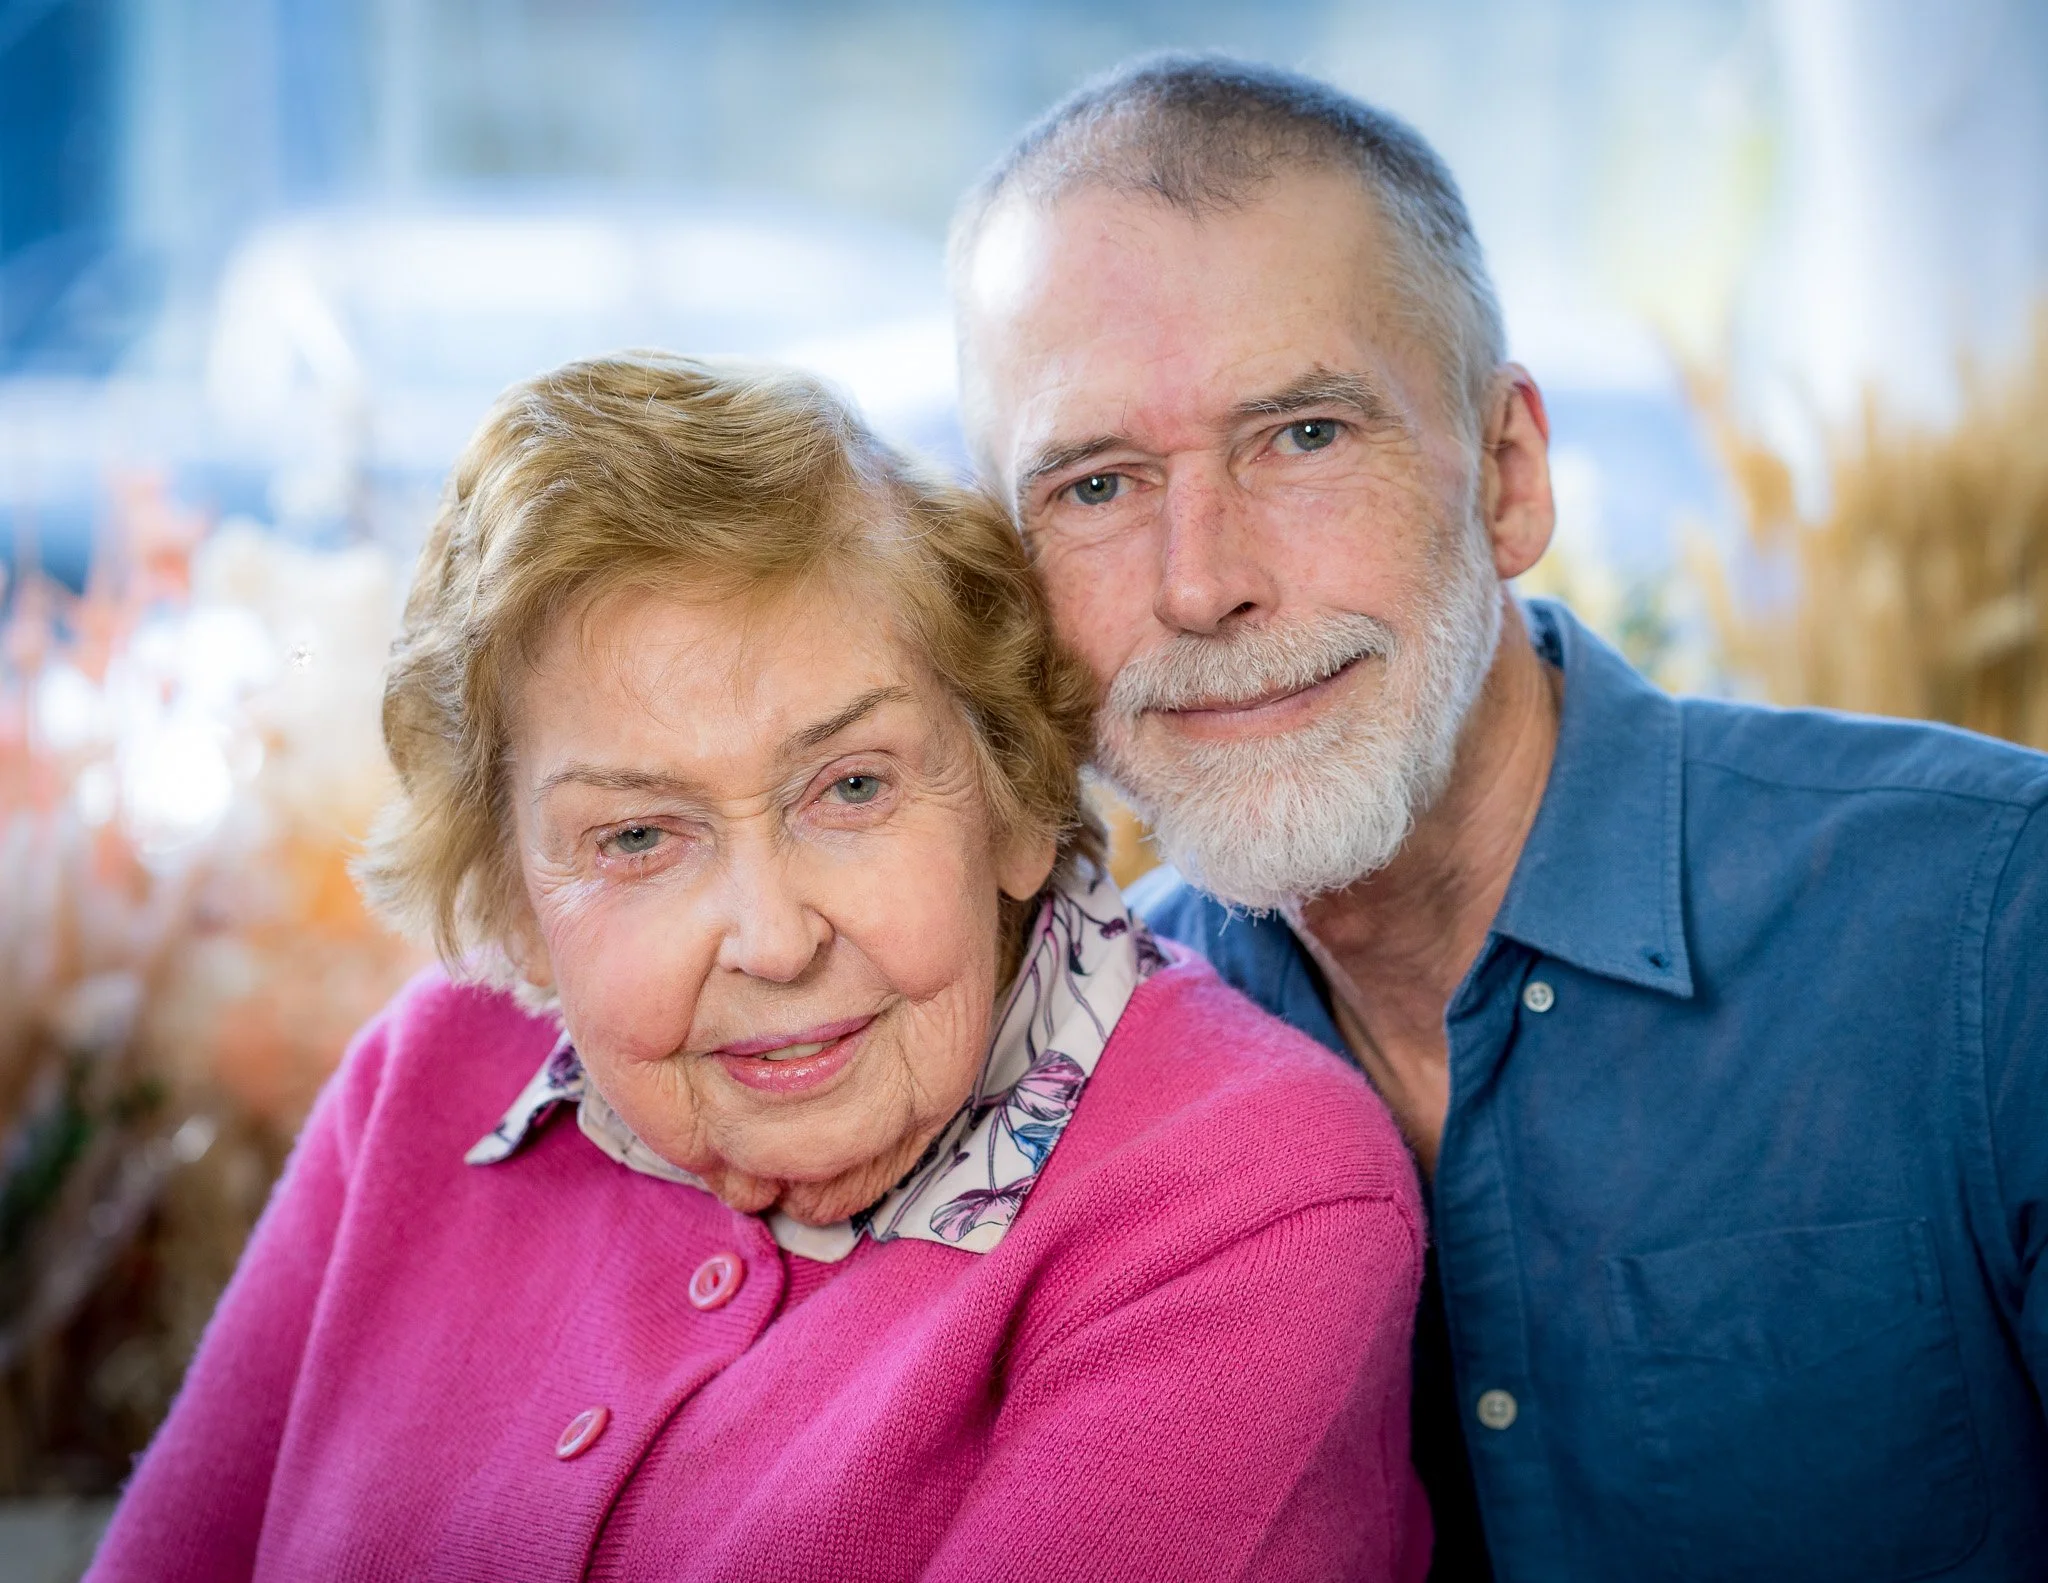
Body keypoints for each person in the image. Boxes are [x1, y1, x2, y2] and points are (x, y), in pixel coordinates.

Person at [951, 53, 2048, 1583]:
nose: (1202, 584)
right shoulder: (1059, 1076)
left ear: (1509, 476)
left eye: (1304, 434)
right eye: (1095, 484)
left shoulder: (1997, 926)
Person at [86, 354, 1430, 1582]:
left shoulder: (1248, 1198)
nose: (776, 941)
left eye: (852, 787)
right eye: (636, 836)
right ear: (511, 899)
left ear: (1017, 798)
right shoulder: (429, 1074)